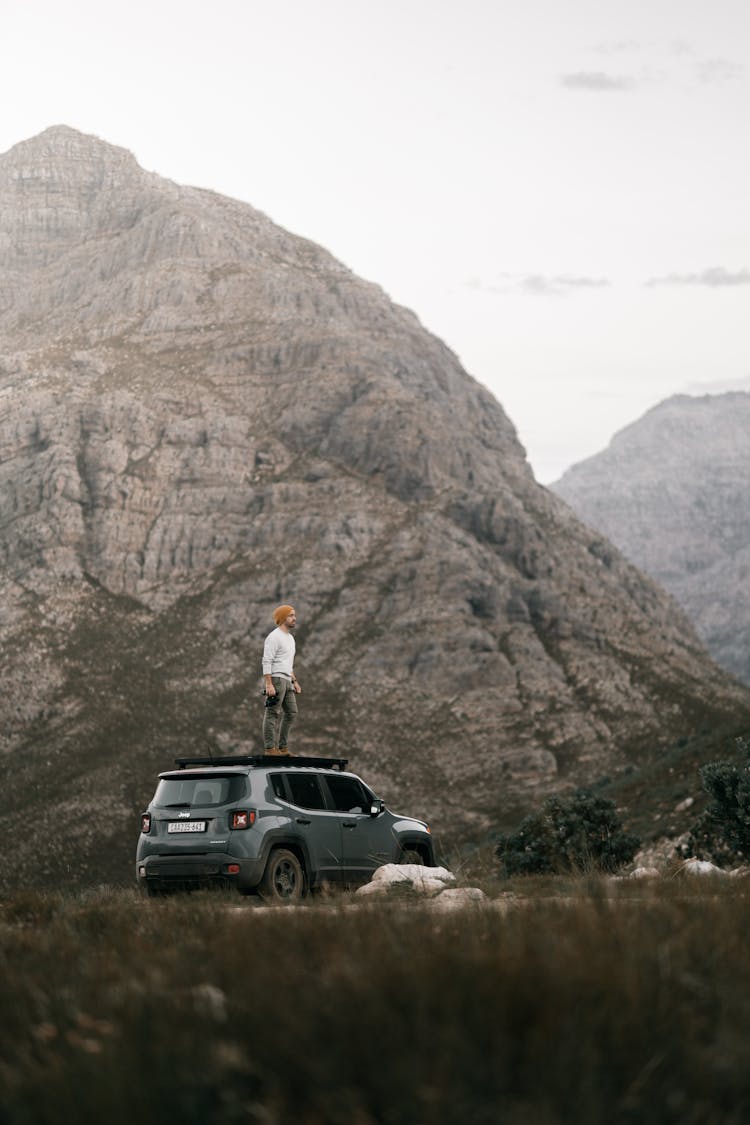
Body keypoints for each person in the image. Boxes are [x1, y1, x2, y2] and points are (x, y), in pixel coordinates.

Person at [262, 604, 302, 755]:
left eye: (294, 615)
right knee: (272, 712)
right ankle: (270, 749)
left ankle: (283, 748)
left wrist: (295, 681)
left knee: (292, 712)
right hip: (276, 678)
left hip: (287, 679)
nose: (294, 618)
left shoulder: (290, 638)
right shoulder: (274, 637)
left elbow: (288, 663)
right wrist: (269, 683)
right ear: (282, 618)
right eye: (291, 615)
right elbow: (267, 661)